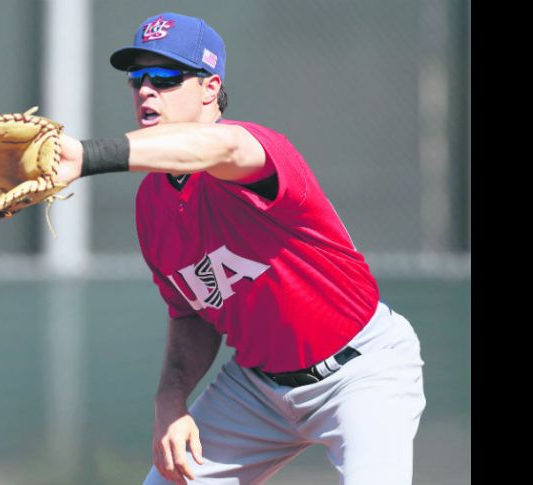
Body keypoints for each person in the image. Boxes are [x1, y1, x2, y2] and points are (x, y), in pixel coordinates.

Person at [56, 11, 426, 485]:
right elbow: (191, 314)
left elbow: (221, 148)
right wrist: (171, 399)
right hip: (256, 389)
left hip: (361, 371)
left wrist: (88, 156)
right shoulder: (152, 204)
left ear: (210, 88)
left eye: (166, 76)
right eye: (137, 78)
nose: (147, 90)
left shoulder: (254, 151)